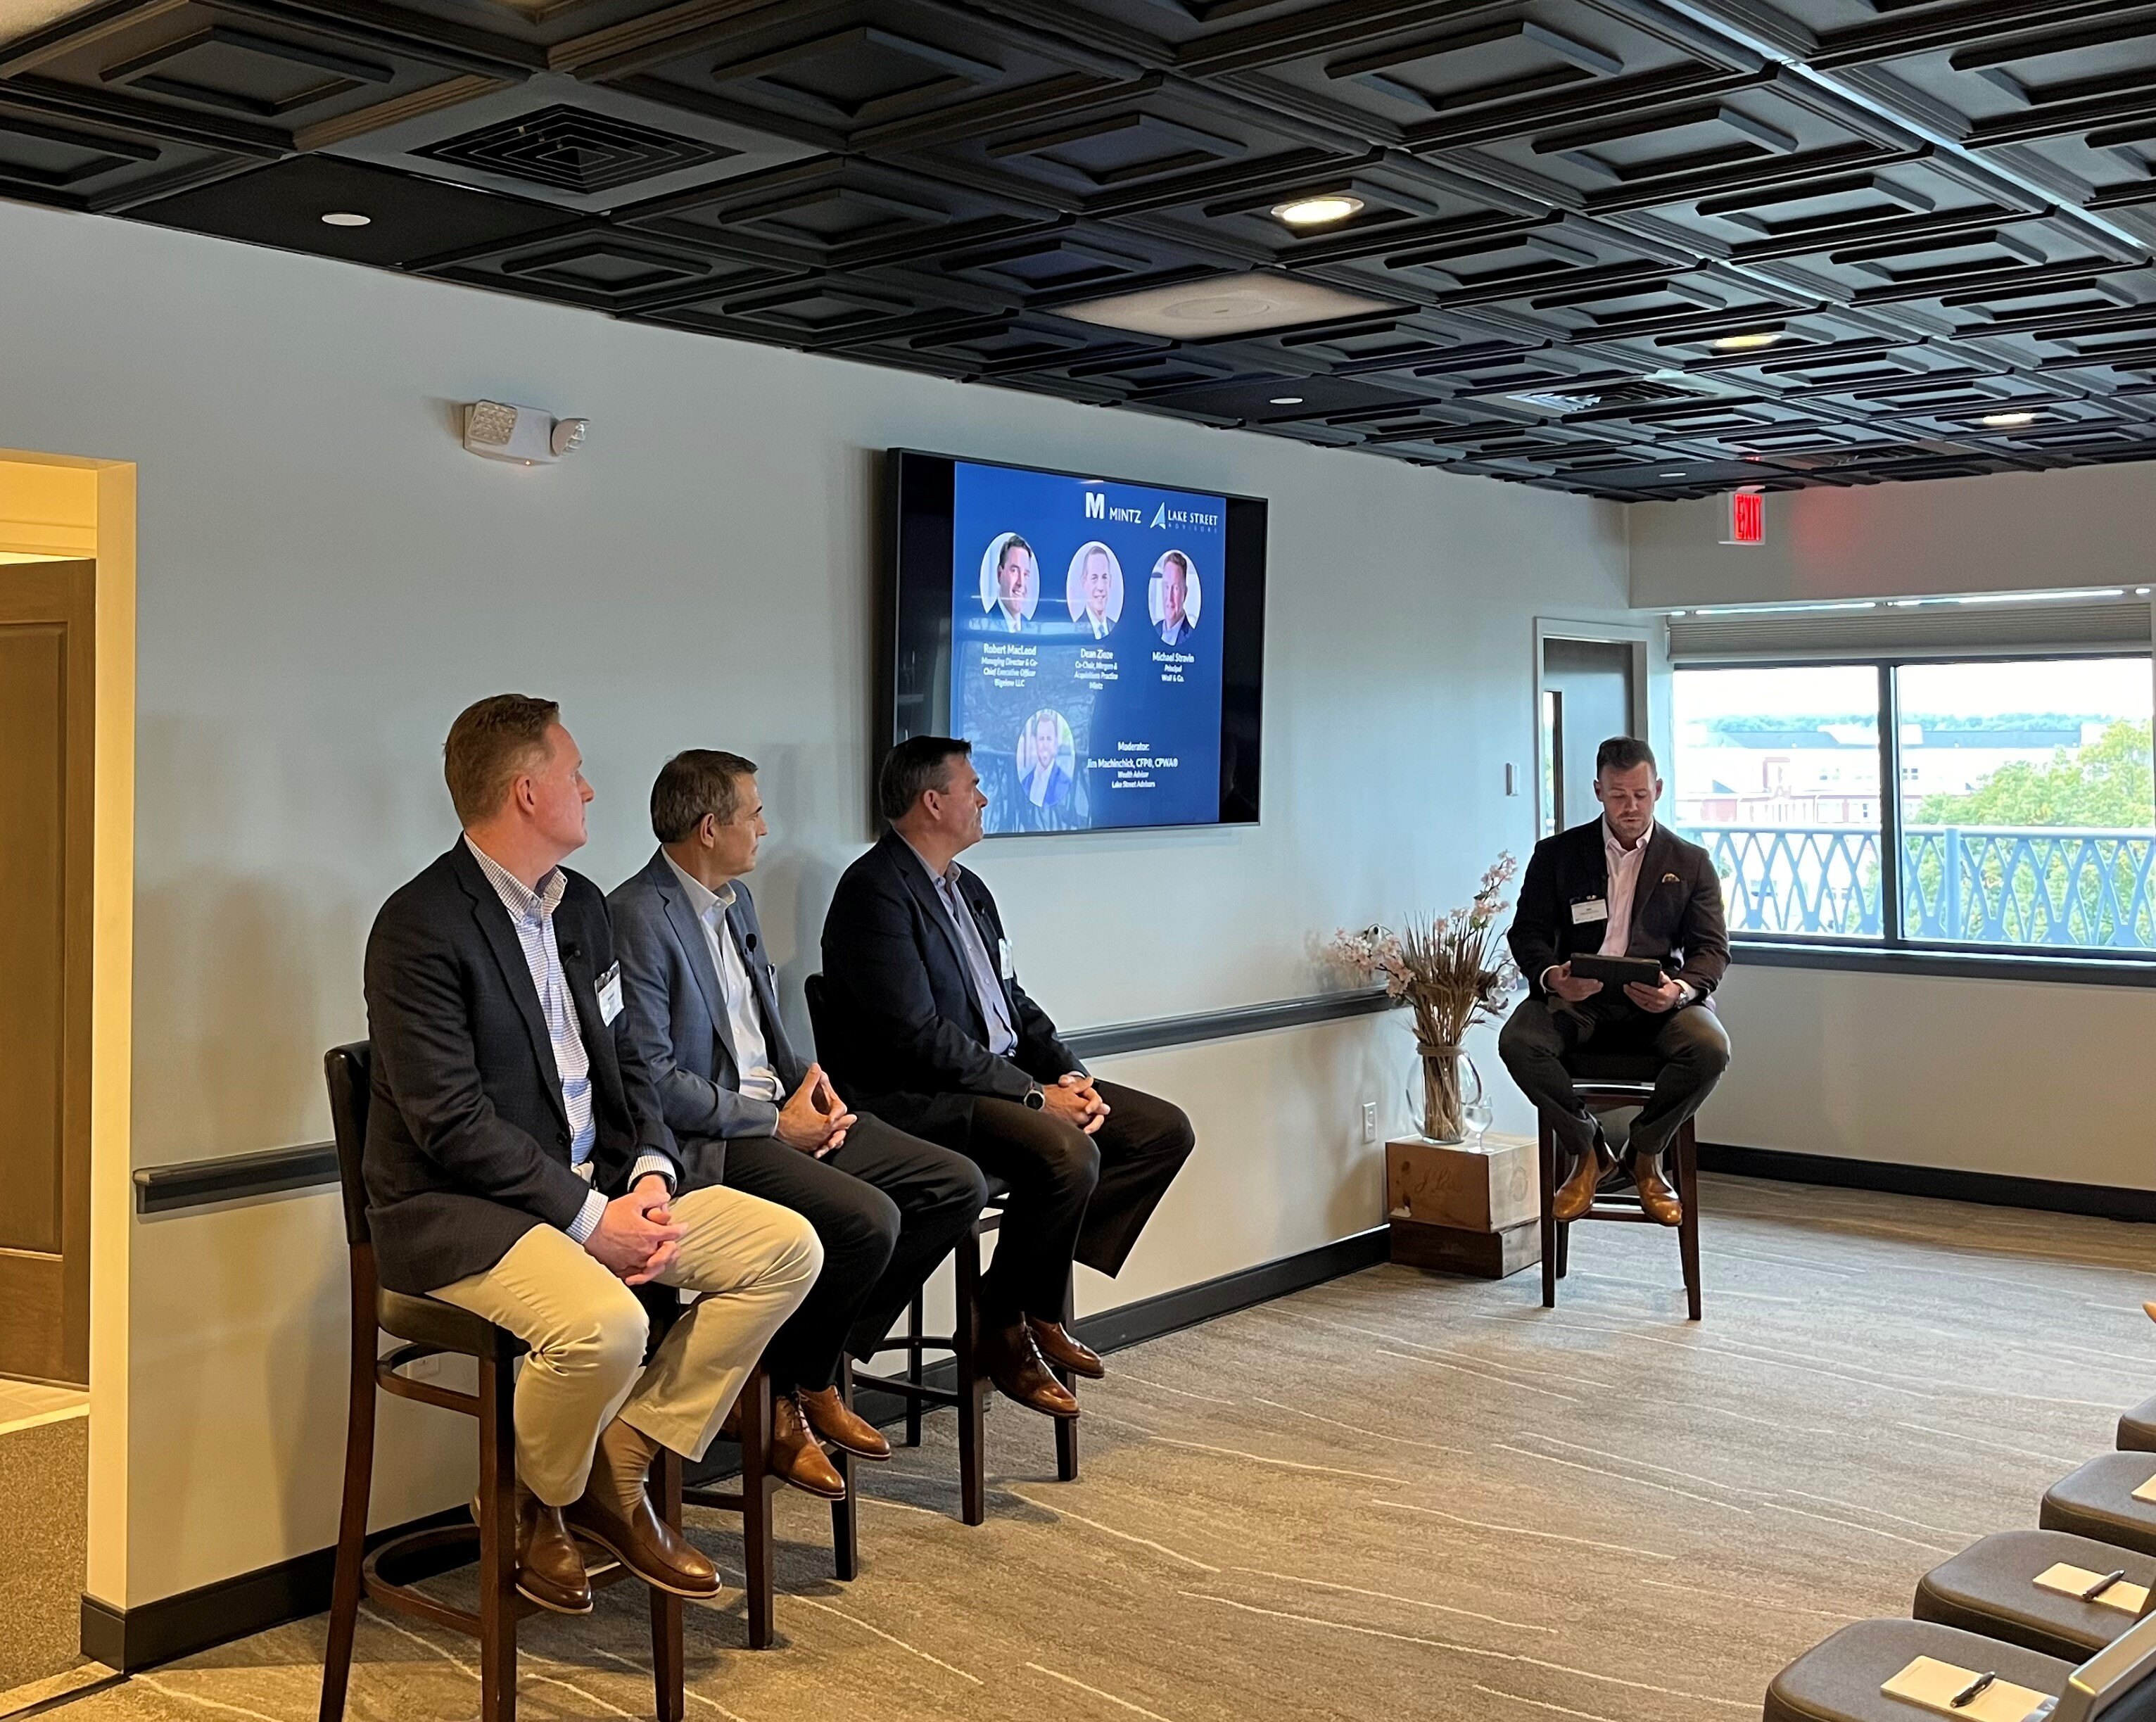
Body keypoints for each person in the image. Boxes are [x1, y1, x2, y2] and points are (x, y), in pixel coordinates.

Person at [362, 696, 822, 1617]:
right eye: (575, 773)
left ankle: (624, 1453)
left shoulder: (582, 914)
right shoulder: (419, 925)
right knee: (608, 1325)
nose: (591, 787)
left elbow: (629, 1080)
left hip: (598, 1190)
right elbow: (451, 1123)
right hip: (461, 1211)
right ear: (528, 792)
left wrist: (649, 1173)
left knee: (788, 1248)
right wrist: (589, 1218)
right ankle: (543, 1498)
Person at [608, 750, 987, 1500]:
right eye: (754, 813)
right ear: (710, 827)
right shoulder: (636, 916)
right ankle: (795, 1389)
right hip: (714, 1141)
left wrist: (811, 1085)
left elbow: (764, 1034)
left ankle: (800, 1369)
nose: (766, 828)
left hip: (774, 1112)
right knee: (867, 1218)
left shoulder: (738, 903)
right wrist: (772, 1122)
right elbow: (652, 1077)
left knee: (953, 1183)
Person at [818, 736, 1196, 1421]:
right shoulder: (873, 892)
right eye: (972, 786)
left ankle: (1020, 1301)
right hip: (922, 1100)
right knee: (1066, 1153)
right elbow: (916, 1036)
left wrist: (1068, 1075)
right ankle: (1010, 1323)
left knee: (1160, 1131)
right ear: (932, 802)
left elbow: (1013, 1003)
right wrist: (1032, 1095)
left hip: (1001, 1083)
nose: (985, 797)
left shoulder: (972, 891)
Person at [1498, 735, 1731, 1227]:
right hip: (1578, 1002)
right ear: (1599, 790)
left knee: (1711, 1048)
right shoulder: (1557, 854)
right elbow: (1528, 933)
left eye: (1641, 795)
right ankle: (1589, 1151)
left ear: (1659, 789)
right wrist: (1553, 977)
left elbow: (1712, 950)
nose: (1631, 806)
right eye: (1619, 795)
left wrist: (1680, 990)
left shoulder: (1690, 862)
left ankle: (1646, 1153)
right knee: (1518, 1042)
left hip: (1658, 1006)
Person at [1022, 711, 1073, 810]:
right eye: (1041, 739)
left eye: (1049, 739)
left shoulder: (1064, 782)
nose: (1045, 744)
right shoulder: (1026, 781)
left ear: (1056, 743)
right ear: (1035, 742)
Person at [992, 534, 1033, 633]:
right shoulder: (987, 623)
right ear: (999, 574)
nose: (1021, 583)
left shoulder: (1031, 629)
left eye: (1025, 574)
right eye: (1014, 571)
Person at [1156, 552, 1196, 646]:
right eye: (1166, 587)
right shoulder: (1154, 629)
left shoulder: (1194, 638)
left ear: (1185, 593)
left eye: (1176, 588)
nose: (1170, 598)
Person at [1078, 545, 1116, 640]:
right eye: (1094, 578)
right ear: (1084, 582)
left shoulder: (1116, 628)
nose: (1100, 587)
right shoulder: (1075, 629)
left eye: (1104, 577)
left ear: (1110, 582)